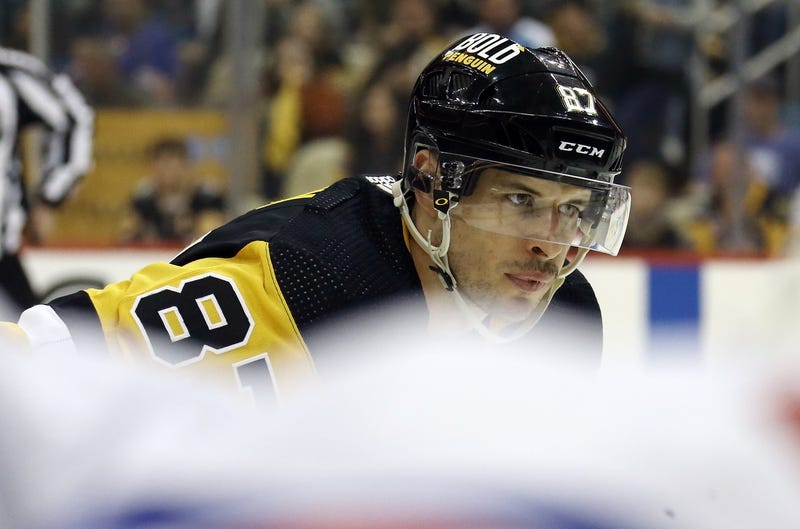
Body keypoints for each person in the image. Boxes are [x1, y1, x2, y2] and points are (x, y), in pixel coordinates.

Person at [2, 35, 630, 399]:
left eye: (575, 210)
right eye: (521, 201)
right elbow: (35, 363)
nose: (556, 248)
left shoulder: (568, 315)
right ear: (431, 178)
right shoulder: (302, 279)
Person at [0, 47, 94, 317]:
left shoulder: (10, 73)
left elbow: (76, 118)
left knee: (24, 346)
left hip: (2, 256)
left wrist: (52, 197)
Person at [118, 137, 227, 244]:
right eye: (161, 164)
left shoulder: (206, 197)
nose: (167, 172)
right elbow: (126, 234)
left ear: (186, 165)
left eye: (172, 164)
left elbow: (212, 235)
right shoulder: (143, 199)